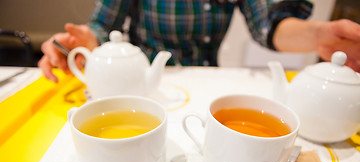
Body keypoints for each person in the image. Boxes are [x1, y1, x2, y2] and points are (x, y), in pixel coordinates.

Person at [39, 0, 360, 83]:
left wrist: (317, 36)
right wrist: (78, 42)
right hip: (143, 80)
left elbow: (269, 25)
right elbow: (101, 25)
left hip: (208, 82)